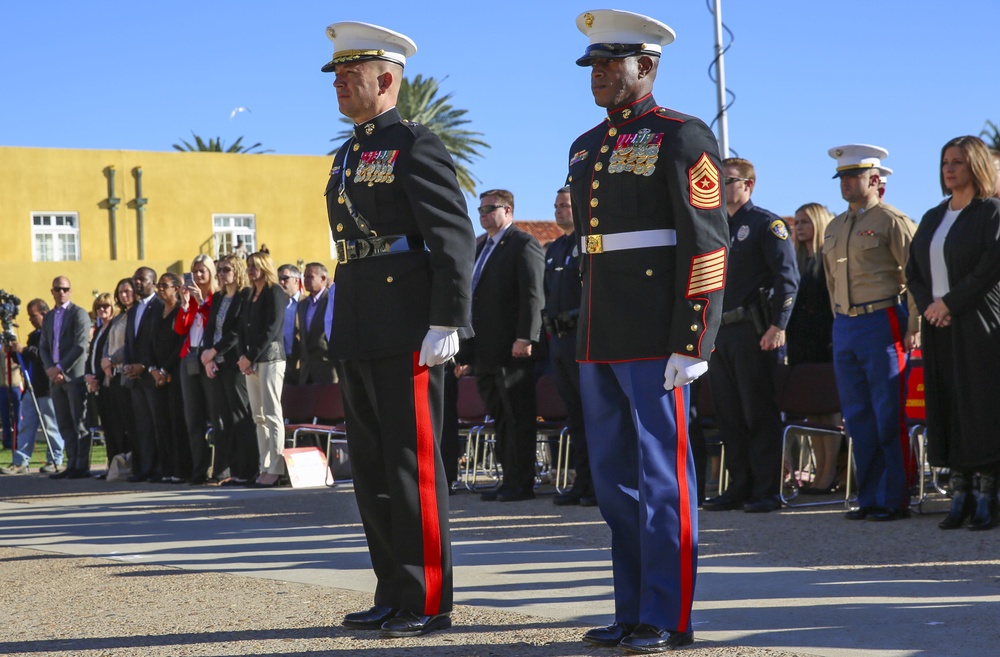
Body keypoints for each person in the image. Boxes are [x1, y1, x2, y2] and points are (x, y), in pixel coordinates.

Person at [567, 10, 729, 652]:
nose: (600, 75)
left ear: (648, 66)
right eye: (594, 66)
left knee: (664, 480)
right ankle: (632, 609)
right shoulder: (584, 145)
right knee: (615, 483)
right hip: (600, 333)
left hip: (658, 335)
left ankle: (669, 616)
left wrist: (694, 340)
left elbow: (707, 243)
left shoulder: (682, 135)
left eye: (611, 64)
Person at [321, 21, 475, 638]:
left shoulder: (415, 144)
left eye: (350, 74)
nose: (339, 84)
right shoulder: (347, 154)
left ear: (386, 80)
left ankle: (427, 597)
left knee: (412, 464)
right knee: (373, 468)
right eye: (335, 75)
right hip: (359, 320)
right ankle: (392, 588)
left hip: (408, 322)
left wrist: (447, 319)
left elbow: (451, 235)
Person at [906, 135, 1000, 531]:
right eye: (946, 161)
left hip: (977, 318)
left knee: (979, 403)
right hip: (938, 322)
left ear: (975, 166)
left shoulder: (991, 212)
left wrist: (950, 303)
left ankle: (987, 495)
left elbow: (989, 267)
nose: (949, 168)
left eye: (958, 162)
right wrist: (932, 304)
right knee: (949, 401)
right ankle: (959, 490)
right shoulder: (933, 216)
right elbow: (912, 268)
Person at [822, 144, 919, 522]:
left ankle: (895, 496)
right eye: (842, 177)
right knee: (857, 415)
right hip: (846, 325)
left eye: (853, 176)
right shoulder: (835, 226)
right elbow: (832, 281)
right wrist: (838, 322)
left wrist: (915, 326)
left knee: (887, 412)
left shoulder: (892, 220)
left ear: (875, 180)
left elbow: (915, 277)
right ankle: (869, 497)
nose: (845, 183)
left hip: (882, 320)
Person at [704, 158, 798, 514]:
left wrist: (779, 325)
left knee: (758, 413)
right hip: (720, 333)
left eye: (728, 181)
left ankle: (766, 489)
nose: (721, 187)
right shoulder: (712, 227)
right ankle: (738, 486)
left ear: (748, 185)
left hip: (753, 331)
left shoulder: (765, 225)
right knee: (728, 415)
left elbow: (787, 278)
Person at [455, 189, 545, 503]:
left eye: (489, 209)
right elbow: (473, 302)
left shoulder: (522, 243)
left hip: (512, 348)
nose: (482, 215)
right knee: (500, 419)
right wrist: (465, 353)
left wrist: (526, 336)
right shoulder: (481, 246)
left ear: (507, 210)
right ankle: (509, 480)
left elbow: (533, 295)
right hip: (485, 351)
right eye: (479, 210)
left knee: (518, 418)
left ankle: (522, 483)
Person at [543, 186, 595, 506]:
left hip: (583, 337)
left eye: (564, 205)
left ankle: (598, 485)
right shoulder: (554, 248)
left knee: (593, 416)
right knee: (574, 417)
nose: (558, 211)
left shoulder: (589, 243)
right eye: (556, 206)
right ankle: (582, 481)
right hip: (559, 341)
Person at [784, 202, 840, 494]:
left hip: (827, 342)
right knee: (812, 412)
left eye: (806, 221)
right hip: (801, 345)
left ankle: (829, 471)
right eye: (797, 222)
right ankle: (818, 469)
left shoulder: (827, 257)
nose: (800, 226)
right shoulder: (795, 260)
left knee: (828, 411)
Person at [202, 255, 256, 485]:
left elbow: (236, 332)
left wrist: (213, 351)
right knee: (221, 418)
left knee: (239, 416)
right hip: (216, 363)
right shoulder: (218, 297)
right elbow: (210, 328)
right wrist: (207, 357)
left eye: (225, 270)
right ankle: (223, 470)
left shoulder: (245, 296)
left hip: (234, 362)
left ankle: (246, 470)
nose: (221, 274)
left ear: (237, 270)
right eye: (219, 271)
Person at [238, 252, 287, 487]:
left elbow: (272, 327)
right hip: (252, 361)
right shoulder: (249, 295)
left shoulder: (275, 292)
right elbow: (242, 328)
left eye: (254, 265)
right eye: (248, 265)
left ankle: (276, 468)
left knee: (271, 413)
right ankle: (264, 466)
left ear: (265, 267)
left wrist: (250, 356)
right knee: (258, 417)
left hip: (271, 358)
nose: (250, 269)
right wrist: (243, 357)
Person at [0, 299, 64, 474]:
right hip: (31, 386)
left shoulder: (52, 332)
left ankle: (55, 459)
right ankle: (20, 461)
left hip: (47, 387)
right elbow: (26, 358)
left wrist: (24, 350)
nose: (30, 319)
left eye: (33, 315)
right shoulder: (34, 335)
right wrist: (13, 351)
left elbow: (44, 355)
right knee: (26, 424)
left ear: (43, 313)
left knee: (51, 425)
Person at [39, 276, 92, 479]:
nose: (61, 292)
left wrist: (60, 368)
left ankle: (82, 466)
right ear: (51, 291)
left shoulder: (78, 314)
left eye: (65, 289)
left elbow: (80, 346)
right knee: (64, 423)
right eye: (57, 289)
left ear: (70, 290)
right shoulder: (50, 317)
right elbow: (44, 346)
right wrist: (51, 369)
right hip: (55, 378)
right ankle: (71, 464)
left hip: (74, 376)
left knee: (79, 422)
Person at [175, 255, 219, 484]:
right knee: (193, 417)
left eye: (203, 271)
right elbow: (181, 328)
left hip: (209, 358)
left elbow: (213, 323)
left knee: (214, 413)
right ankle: (199, 469)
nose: (199, 276)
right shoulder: (191, 298)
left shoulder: (215, 297)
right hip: (189, 357)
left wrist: (202, 302)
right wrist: (184, 304)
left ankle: (220, 468)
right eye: (195, 271)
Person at [123, 267, 165, 482]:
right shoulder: (132, 310)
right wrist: (129, 365)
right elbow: (130, 341)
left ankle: (160, 467)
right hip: (135, 377)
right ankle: (146, 467)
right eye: (135, 279)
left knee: (157, 423)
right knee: (143, 426)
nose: (137, 282)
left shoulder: (159, 306)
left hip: (152, 373)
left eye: (142, 279)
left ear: (153, 283)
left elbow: (156, 342)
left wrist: (145, 365)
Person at [150, 273, 188, 483]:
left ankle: (181, 469)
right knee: (162, 421)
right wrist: (154, 370)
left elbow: (181, 343)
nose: (160, 289)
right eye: (158, 285)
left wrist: (165, 370)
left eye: (164, 285)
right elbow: (149, 342)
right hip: (158, 375)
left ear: (176, 288)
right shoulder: (157, 311)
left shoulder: (181, 311)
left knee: (176, 421)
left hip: (175, 373)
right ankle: (166, 469)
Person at [102, 279, 137, 466]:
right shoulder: (119, 317)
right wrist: (104, 360)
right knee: (117, 423)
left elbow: (130, 344)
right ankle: (119, 463)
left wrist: (112, 359)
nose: (124, 295)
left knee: (130, 422)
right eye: (121, 292)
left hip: (126, 372)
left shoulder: (136, 314)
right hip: (112, 374)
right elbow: (108, 341)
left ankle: (134, 462)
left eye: (127, 291)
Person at [84, 293, 116, 476]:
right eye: (99, 307)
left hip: (108, 381)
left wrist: (96, 376)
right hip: (97, 383)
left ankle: (115, 464)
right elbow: (91, 357)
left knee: (113, 426)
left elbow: (107, 356)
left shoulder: (112, 328)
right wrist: (89, 375)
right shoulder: (98, 330)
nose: (102, 310)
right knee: (106, 426)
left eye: (106, 306)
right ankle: (109, 464)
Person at [276, 264, 302, 385]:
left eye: (285, 278)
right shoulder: (278, 304)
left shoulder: (305, 302)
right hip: (281, 360)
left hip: (301, 361)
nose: (281, 282)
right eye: (279, 278)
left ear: (296, 280)